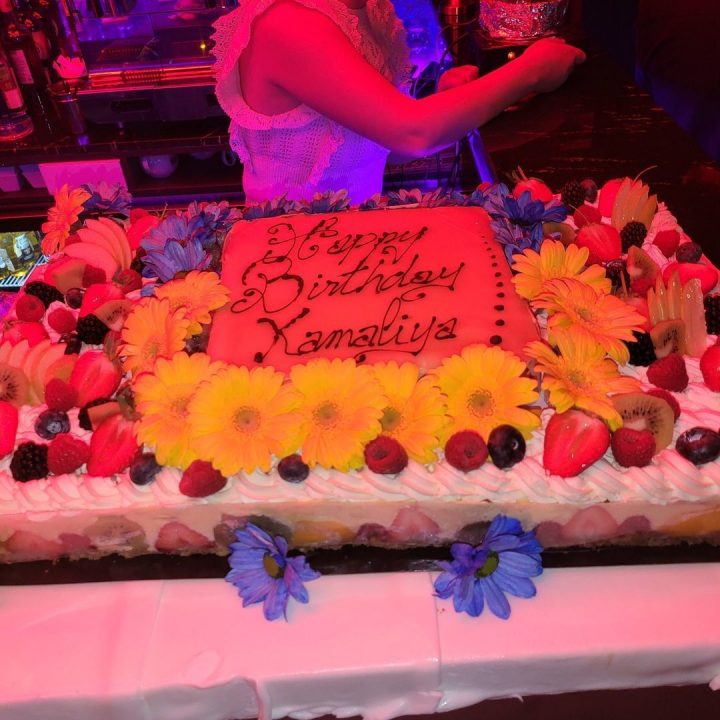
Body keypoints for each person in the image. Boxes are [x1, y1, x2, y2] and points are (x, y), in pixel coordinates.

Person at [212, 0, 585, 204]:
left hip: (352, 245)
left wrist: (445, 104)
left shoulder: (364, 10)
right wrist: (531, 71)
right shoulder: (288, 21)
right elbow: (412, 132)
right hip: (288, 263)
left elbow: (386, 143)